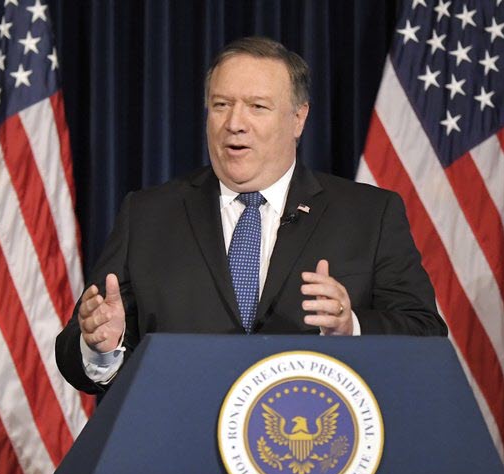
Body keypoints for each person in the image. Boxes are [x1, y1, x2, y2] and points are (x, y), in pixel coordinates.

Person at [56, 36, 446, 394]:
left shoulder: (369, 214)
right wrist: (99, 348)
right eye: (221, 105)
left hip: (313, 434)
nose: (234, 124)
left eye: (257, 107)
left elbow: (426, 333)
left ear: (298, 118)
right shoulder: (148, 215)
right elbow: (76, 351)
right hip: (181, 439)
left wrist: (352, 327)